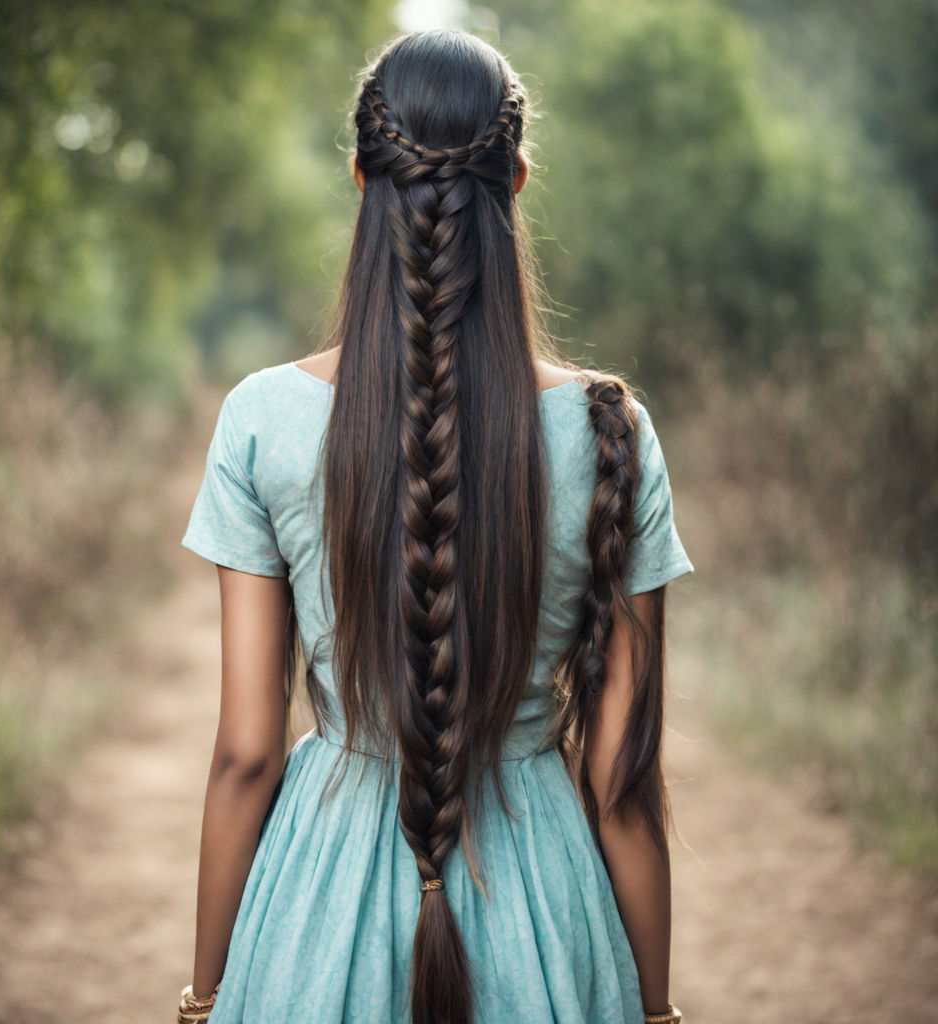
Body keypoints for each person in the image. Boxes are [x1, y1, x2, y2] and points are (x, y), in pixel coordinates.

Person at [178, 28, 694, 1024]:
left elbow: (246, 748)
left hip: (315, 907)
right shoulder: (609, 428)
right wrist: (657, 1010)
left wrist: (204, 998)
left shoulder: (262, 419)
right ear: (518, 181)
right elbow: (622, 781)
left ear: (361, 180)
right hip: (543, 911)